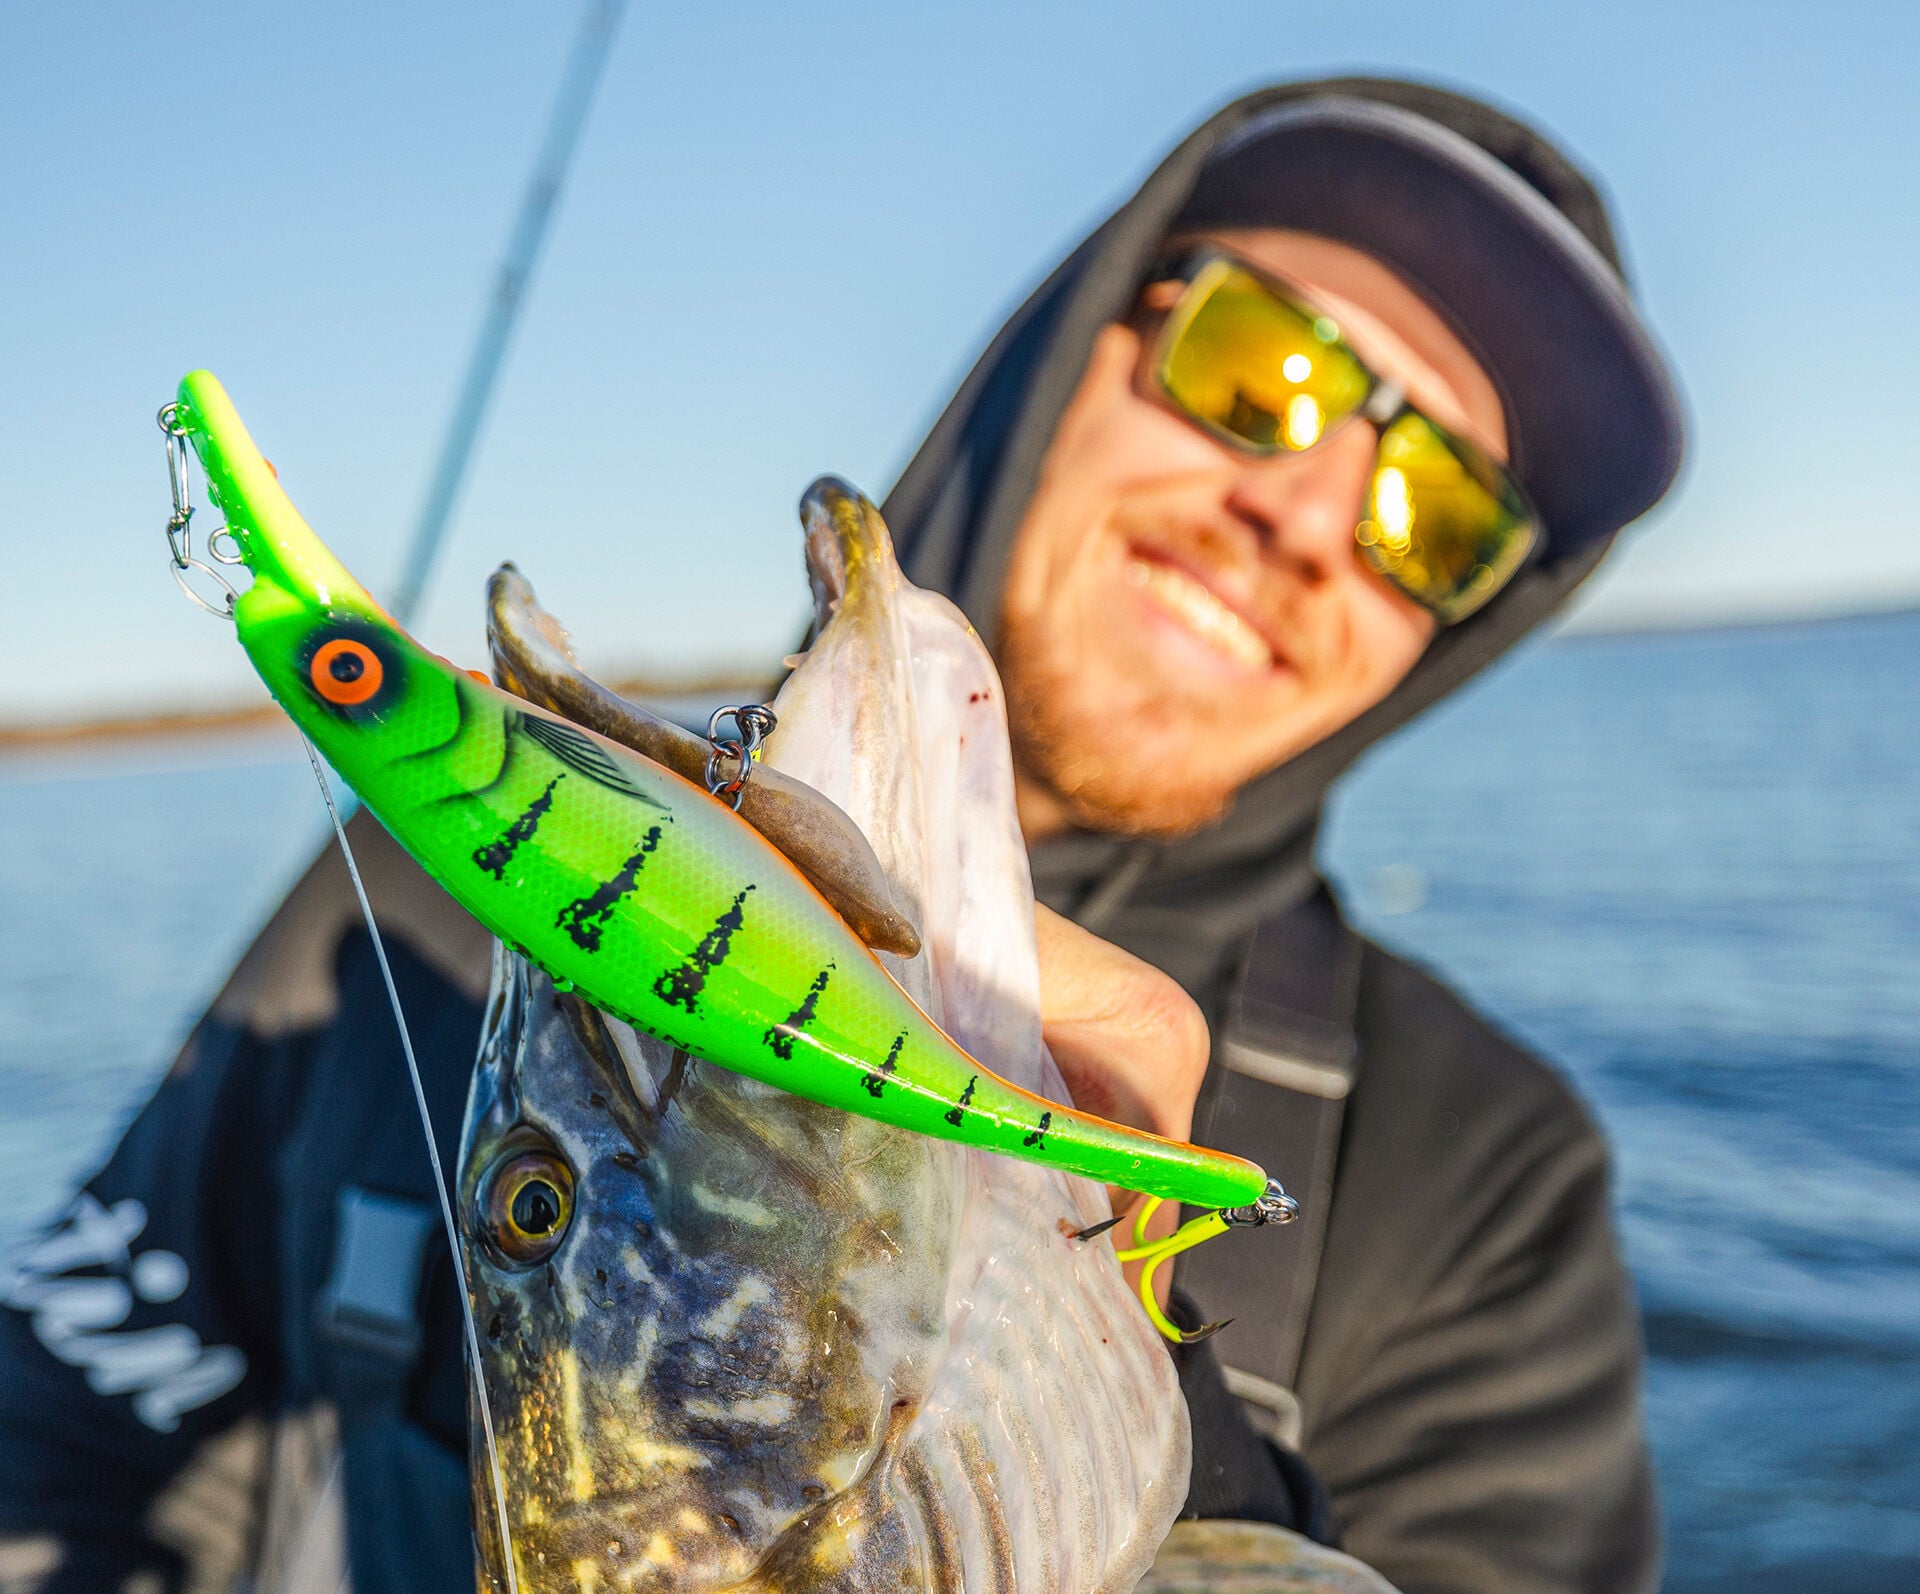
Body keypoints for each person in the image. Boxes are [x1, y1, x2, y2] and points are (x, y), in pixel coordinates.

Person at [0, 76, 1682, 1594]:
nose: (1309, 511)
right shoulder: (426, 911)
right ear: (1067, 346)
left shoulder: (1489, 1188)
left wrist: (1107, 1356)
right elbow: (53, 1438)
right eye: (1260, 365)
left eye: (1438, 512)